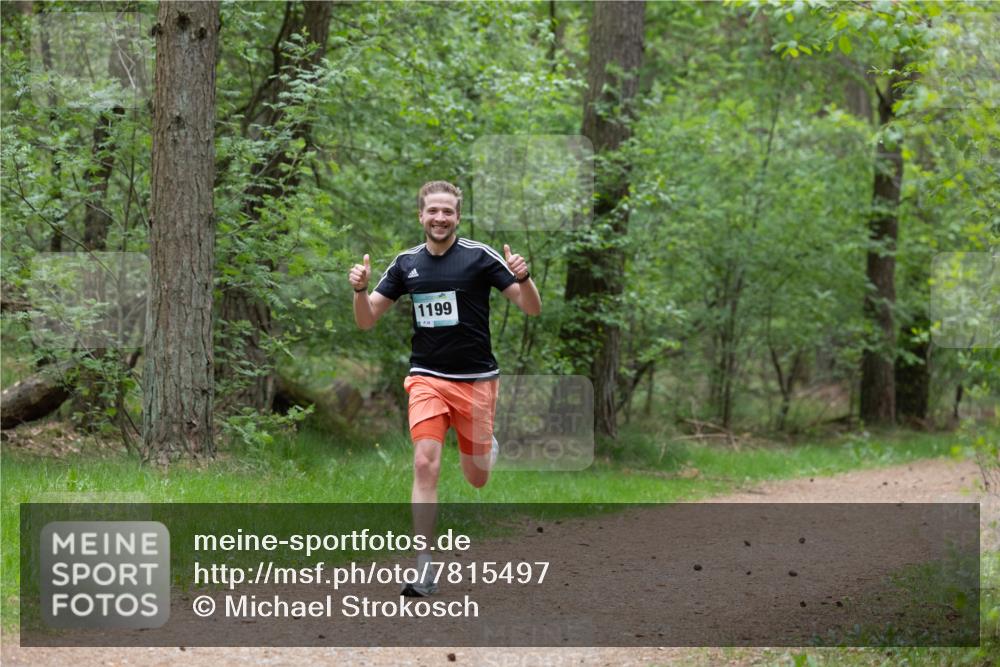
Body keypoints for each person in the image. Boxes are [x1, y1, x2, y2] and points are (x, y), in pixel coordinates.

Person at [348, 180, 541, 596]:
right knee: (425, 463)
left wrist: (525, 278)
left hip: (477, 381)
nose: (440, 218)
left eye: (447, 212)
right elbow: (366, 320)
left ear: (458, 217)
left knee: (477, 477)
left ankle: (486, 447)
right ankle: (424, 566)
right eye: (432, 211)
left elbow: (531, 307)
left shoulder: (479, 256)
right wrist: (360, 290)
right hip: (426, 377)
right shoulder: (406, 264)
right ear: (421, 215)